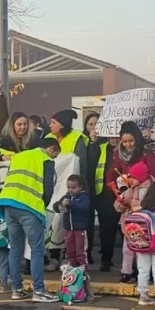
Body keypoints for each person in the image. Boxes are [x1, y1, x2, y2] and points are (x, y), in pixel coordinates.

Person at [0, 137, 60, 303]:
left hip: (8, 204)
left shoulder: (19, 156)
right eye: (55, 154)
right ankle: (39, 290)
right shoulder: (46, 159)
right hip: (29, 207)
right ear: (51, 149)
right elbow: (48, 189)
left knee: (15, 248)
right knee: (37, 250)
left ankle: (17, 289)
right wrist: (42, 205)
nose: (54, 158)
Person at [45, 108, 89, 270]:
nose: (50, 125)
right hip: (52, 187)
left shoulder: (77, 138)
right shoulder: (48, 138)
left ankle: (67, 257)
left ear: (62, 125)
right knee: (53, 221)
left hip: (71, 188)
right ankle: (54, 256)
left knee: (66, 225)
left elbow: (80, 163)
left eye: (54, 122)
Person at [85, 113, 120, 271]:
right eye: (111, 135)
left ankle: (115, 261)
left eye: (117, 135)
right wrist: (92, 141)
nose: (114, 139)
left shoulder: (126, 148)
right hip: (101, 194)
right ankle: (100, 258)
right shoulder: (100, 147)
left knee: (117, 229)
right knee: (101, 229)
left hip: (118, 195)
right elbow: (91, 163)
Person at [113, 158, 151, 284]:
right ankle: (126, 272)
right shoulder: (130, 189)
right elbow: (117, 206)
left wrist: (130, 203)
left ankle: (143, 272)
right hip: (129, 226)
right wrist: (121, 204)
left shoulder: (147, 190)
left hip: (142, 227)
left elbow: (144, 205)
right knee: (127, 250)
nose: (130, 180)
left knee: (142, 251)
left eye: (133, 178)